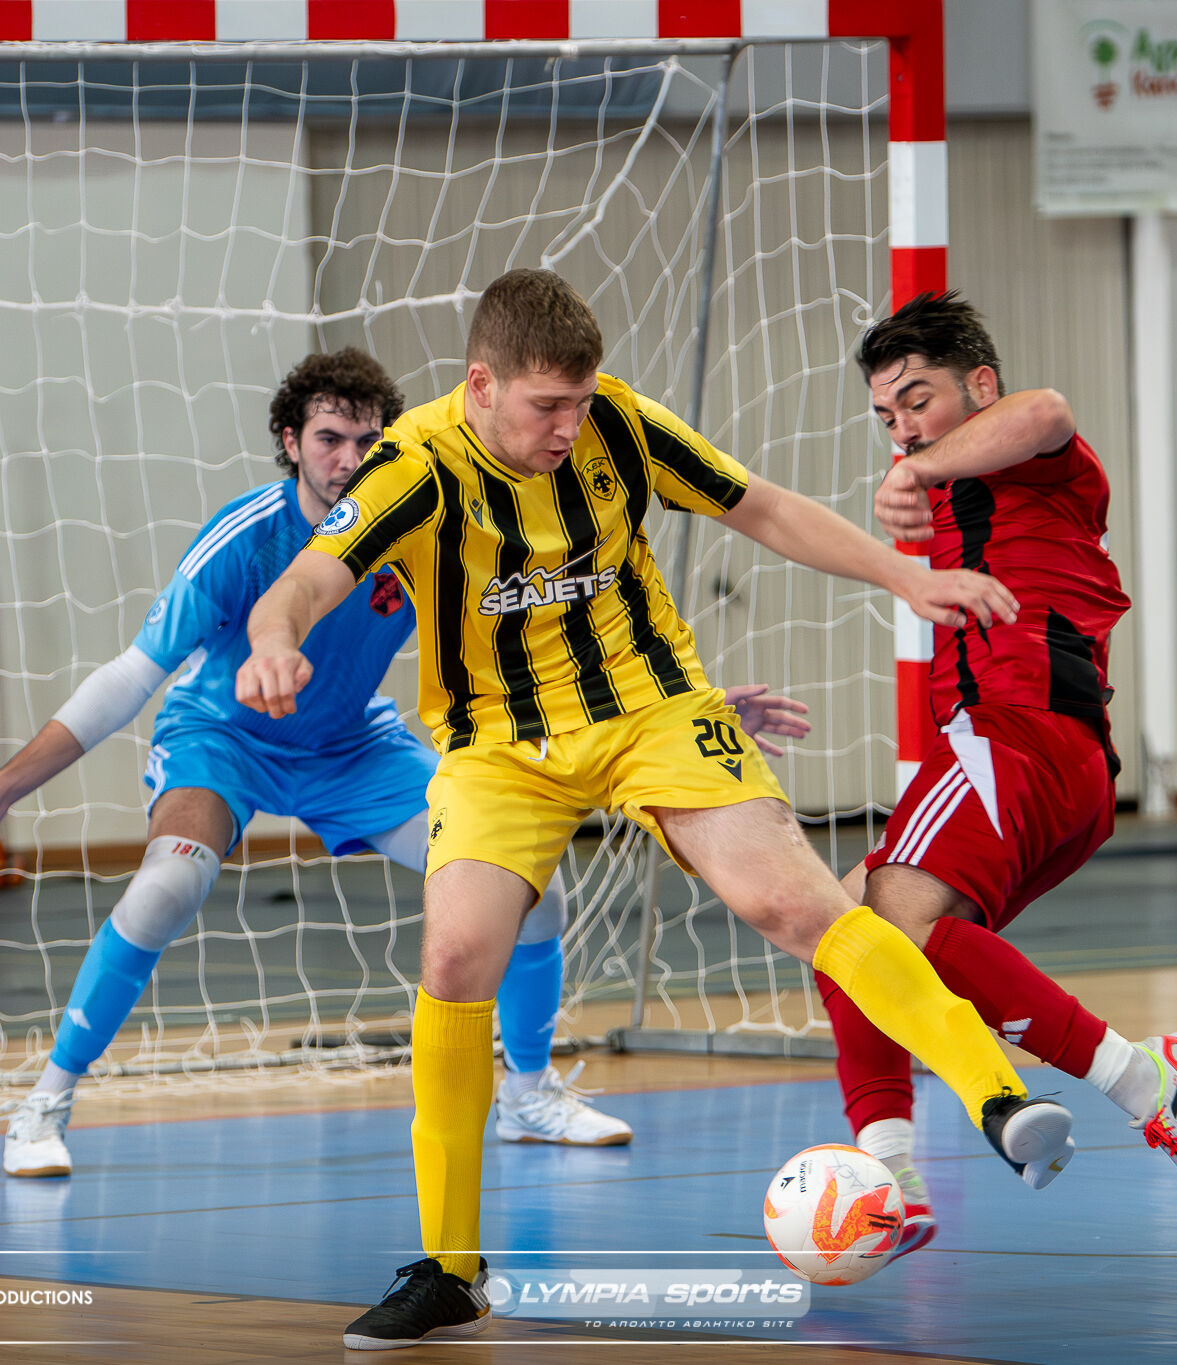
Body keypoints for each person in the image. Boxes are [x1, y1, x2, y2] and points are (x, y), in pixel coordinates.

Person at [234, 270, 1075, 1350]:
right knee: (453, 963)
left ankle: (996, 1096)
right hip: (499, 748)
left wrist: (903, 578)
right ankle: (448, 1268)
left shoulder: (617, 425)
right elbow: (304, 580)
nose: (568, 425)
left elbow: (759, 504)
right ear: (480, 386)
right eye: (546, 406)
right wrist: (271, 641)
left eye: (579, 402)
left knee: (795, 902)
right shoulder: (415, 465)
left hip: (652, 709)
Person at [0, 348, 774, 1174]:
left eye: (366, 440)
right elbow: (131, 677)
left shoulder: (415, 532)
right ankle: (46, 1102)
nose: (348, 457)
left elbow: (544, 630)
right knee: (167, 886)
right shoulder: (244, 538)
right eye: (329, 437)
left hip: (354, 745)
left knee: (536, 888)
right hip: (224, 740)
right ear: (291, 441)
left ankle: (528, 1091)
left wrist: (672, 705)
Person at [818, 291, 1177, 1261]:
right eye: (885, 417)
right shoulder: (958, 499)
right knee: (842, 933)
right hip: (1057, 765)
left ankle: (1149, 1089)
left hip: (1015, 736)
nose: (901, 430)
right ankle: (891, 1174)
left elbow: (1045, 410)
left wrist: (918, 461)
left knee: (885, 919)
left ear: (977, 384)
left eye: (915, 400)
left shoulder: (1031, 455)